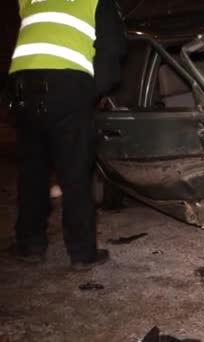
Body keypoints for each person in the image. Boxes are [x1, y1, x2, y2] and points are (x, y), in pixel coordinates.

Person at [8, 0, 126, 271]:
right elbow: (113, 49)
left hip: (23, 88)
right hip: (67, 84)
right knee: (74, 171)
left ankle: (29, 245)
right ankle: (82, 254)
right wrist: (89, 93)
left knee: (32, 170)